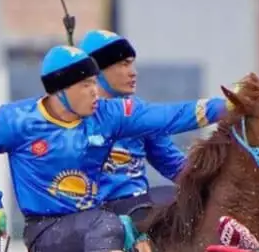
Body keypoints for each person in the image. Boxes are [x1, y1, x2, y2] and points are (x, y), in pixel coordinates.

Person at [0, 45, 226, 252]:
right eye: (86, 84)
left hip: (95, 215)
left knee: (176, 201)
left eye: (95, 82)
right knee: (107, 226)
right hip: (47, 232)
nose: (95, 91)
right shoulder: (16, 120)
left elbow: (169, 116)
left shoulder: (107, 115)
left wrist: (226, 106)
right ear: (62, 90)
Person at [78, 29, 185, 227]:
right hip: (94, 216)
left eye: (132, 63)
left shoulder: (138, 113)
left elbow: (174, 164)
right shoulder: (72, 115)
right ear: (98, 71)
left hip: (137, 205)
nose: (133, 72)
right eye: (123, 64)